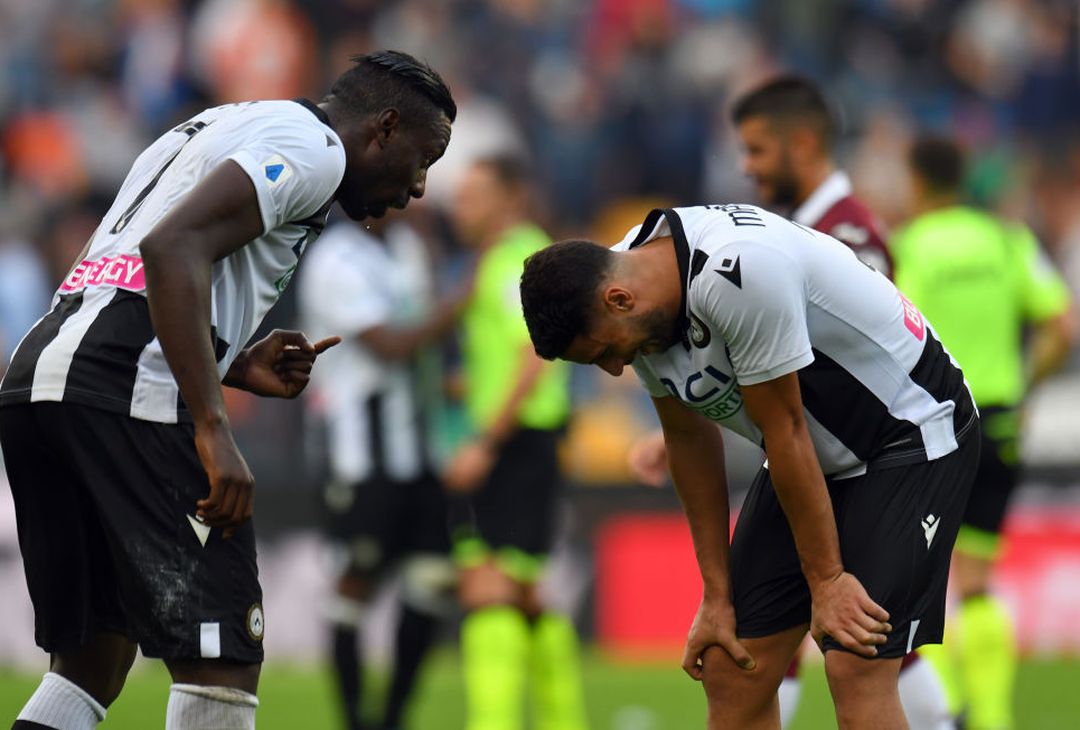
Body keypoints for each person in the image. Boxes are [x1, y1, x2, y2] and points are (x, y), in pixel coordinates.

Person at [0, 50, 455, 730]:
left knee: (93, 660)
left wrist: (231, 359)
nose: (418, 187)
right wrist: (212, 424)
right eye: (423, 159)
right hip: (127, 394)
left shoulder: (222, 124)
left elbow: (128, 271)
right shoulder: (316, 150)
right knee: (224, 662)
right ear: (384, 127)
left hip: (41, 382)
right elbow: (172, 249)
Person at [520, 203, 979, 730]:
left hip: (909, 434)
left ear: (619, 300)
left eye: (605, 351)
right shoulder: (635, 291)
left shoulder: (736, 271)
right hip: (814, 454)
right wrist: (716, 598)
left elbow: (785, 430)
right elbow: (689, 439)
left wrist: (826, 580)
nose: (615, 367)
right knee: (732, 665)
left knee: (855, 661)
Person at [627, 74, 949, 728]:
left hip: (884, 449)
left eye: (756, 151)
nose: (745, 169)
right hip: (810, 450)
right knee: (790, 648)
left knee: (854, 647)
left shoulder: (848, 232)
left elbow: (846, 369)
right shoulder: (778, 230)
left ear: (802, 143)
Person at [891, 135, 1076, 730]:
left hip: (936, 425)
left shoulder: (910, 246)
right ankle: (993, 718)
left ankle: (944, 711)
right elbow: (1061, 326)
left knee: (915, 575)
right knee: (978, 577)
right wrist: (1024, 387)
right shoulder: (1007, 239)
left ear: (917, 181)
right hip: (1000, 423)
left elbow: (893, 333)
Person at [299, 211, 466, 730]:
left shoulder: (409, 248)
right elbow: (389, 345)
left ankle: (392, 719)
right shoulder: (337, 258)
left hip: (420, 453)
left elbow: (426, 340)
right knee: (357, 580)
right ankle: (354, 719)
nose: (418, 189)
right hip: (360, 454)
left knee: (432, 579)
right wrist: (466, 297)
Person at [444, 156, 589, 730]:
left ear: (510, 198)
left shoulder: (518, 261)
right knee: (523, 592)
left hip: (517, 441)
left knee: (487, 590)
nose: (462, 207)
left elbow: (533, 354)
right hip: (525, 436)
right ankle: (563, 720)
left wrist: (483, 439)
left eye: (476, 195)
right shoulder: (502, 258)